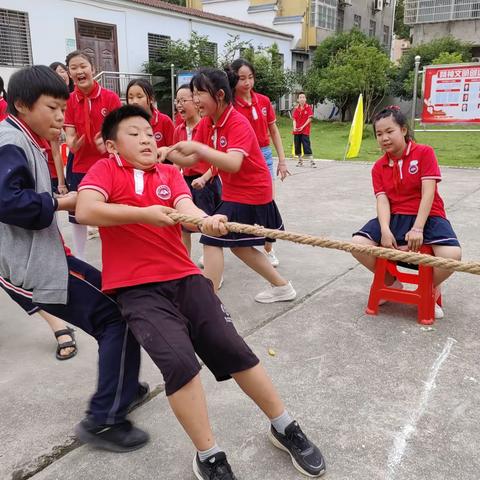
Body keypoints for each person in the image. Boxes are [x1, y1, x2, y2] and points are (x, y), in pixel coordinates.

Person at [75, 104, 326, 480]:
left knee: (233, 347)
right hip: (137, 289)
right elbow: (87, 209)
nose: (145, 138)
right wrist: (144, 213)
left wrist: (205, 218)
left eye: (148, 132)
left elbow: (184, 205)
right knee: (180, 364)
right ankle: (209, 455)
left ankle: (284, 425)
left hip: (185, 277)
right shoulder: (105, 171)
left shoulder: (167, 172)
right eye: (133, 133)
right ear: (112, 147)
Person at [0, 65, 149, 451]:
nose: (61, 117)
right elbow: (6, 201)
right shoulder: (9, 140)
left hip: (45, 255)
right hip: (31, 266)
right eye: (53, 108)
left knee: (120, 304)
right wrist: (60, 201)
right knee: (116, 316)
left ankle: (123, 388)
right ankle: (104, 419)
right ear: (21, 105)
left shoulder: (27, 140)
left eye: (64, 109)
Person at [166, 68, 296, 303]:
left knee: (211, 238)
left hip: (253, 192)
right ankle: (282, 286)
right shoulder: (208, 124)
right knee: (238, 247)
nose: (195, 100)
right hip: (235, 193)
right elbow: (190, 160)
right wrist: (166, 154)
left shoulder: (238, 122)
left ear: (220, 95)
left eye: (200, 93)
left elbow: (233, 163)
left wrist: (198, 148)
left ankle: (208, 303)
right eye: (193, 93)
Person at [351, 106, 462, 319]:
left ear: (403, 130)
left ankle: (429, 289)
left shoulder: (424, 153)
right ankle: (392, 283)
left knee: (452, 256)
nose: (384, 138)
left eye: (389, 131)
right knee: (357, 245)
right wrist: (384, 229)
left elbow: (428, 192)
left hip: (428, 216)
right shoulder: (378, 167)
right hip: (394, 217)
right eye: (379, 134)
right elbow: (382, 200)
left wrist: (418, 227)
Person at [227, 58, 290, 268]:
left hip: (263, 155)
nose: (247, 83)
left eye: (250, 77)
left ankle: (268, 248)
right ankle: (225, 244)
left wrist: (282, 161)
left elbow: (273, 131)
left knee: (266, 204)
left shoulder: (263, 101)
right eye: (242, 78)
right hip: (239, 156)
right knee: (240, 204)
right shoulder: (230, 105)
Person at [64, 50, 122, 260]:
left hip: (107, 165)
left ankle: (114, 257)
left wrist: (109, 145)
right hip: (80, 166)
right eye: (74, 68)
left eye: (83, 66)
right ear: (70, 74)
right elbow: (69, 134)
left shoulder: (110, 98)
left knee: (107, 214)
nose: (79, 71)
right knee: (77, 213)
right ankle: (79, 259)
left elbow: (119, 132)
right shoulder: (69, 101)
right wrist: (73, 144)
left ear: (92, 69)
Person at [173, 83, 221, 265]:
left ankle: (212, 265)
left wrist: (204, 178)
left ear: (195, 102)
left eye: (183, 100)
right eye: (177, 101)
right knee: (184, 227)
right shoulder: (179, 129)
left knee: (207, 226)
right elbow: (178, 160)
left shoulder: (207, 127)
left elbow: (217, 161)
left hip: (206, 183)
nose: (179, 105)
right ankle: (185, 265)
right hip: (185, 183)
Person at [126, 78, 175, 149]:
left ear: (151, 99)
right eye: (130, 97)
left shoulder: (164, 121)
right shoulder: (125, 124)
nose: (134, 101)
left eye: (139, 97)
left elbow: (174, 149)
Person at [292, 92, 315, 168]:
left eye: (303, 97)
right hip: (297, 131)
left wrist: (302, 126)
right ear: (298, 99)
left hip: (305, 130)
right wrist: (294, 127)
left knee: (306, 145)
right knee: (297, 146)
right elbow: (294, 119)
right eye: (300, 97)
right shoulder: (296, 108)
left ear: (305, 99)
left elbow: (310, 118)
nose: (302, 99)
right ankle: (300, 161)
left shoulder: (308, 107)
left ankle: (312, 161)